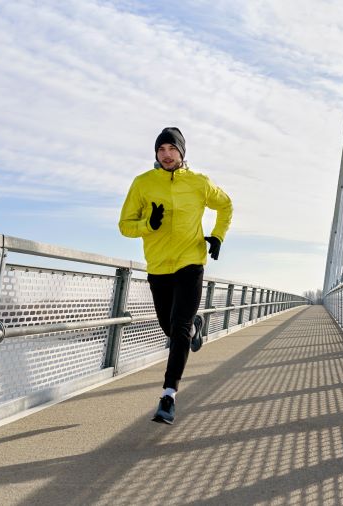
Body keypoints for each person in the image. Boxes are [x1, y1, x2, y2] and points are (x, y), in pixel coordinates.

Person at [118, 127, 232, 424]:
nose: (166, 155)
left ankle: (168, 396)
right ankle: (194, 326)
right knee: (170, 328)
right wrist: (148, 224)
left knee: (178, 327)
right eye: (161, 150)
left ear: (182, 153)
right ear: (156, 154)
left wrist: (218, 236)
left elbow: (226, 205)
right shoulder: (142, 184)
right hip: (158, 267)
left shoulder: (199, 182)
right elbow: (124, 225)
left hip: (190, 262)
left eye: (172, 149)